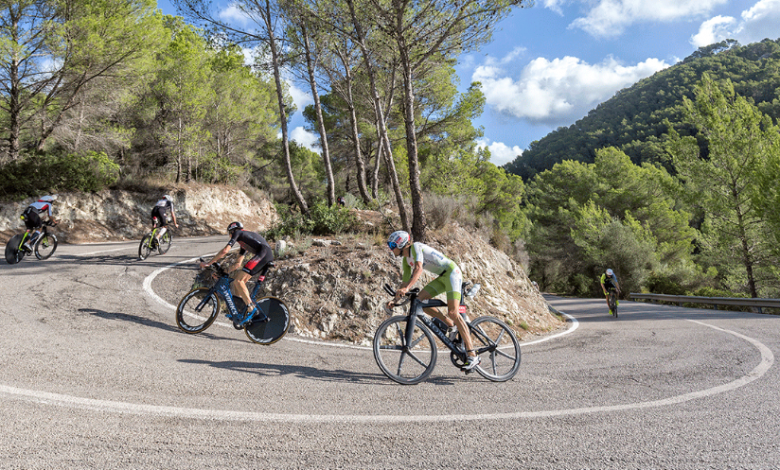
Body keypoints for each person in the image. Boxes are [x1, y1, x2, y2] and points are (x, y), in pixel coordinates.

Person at [385, 230, 481, 371]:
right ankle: (450, 325)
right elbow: (405, 283)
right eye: (389, 245)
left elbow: (418, 269)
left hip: (452, 273)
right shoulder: (406, 260)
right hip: (442, 277)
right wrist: (395, 300)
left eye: (392, 245)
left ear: (402, 243)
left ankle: (472, 354)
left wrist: (407, 288)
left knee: (454, 312)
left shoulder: (416, 247)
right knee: (419, 302)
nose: (391, 248)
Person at [199, 222, 273, 326]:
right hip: (265, 254)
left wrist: (209, 263)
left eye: (229, 234)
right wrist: (224, 272)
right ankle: (241, 311)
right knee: (237, 283)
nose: (230, 236)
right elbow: (237, 264)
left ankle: (251, 308)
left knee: (239, 281)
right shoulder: (244, 243)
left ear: (231, 231)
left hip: (263, 253)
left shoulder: (237, 233)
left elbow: (225, 251)